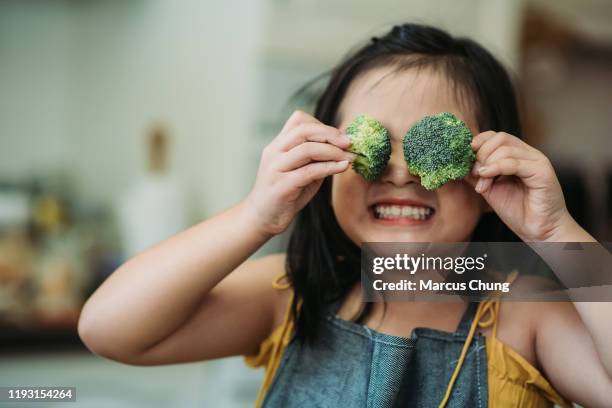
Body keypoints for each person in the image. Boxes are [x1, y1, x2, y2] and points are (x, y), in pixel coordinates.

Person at [78, 24, 612, 407]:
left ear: (491, 171)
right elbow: (109, 329)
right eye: (369, 147)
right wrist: (254, 217)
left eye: (433, 148)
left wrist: (556, 232)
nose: (399, 173)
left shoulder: (529, 313)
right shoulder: (291, 293)